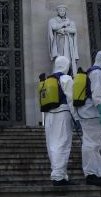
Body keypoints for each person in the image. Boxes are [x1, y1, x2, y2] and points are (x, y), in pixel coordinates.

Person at [76, 50, 101, 186]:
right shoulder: (97, 72)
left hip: (92, 114)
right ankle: (90, 174)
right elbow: (96, 94)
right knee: (90, 143)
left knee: (95, 145)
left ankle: (100, 174)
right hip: (91, 114)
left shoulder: (96, 72)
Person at [44, 56, 76, 186]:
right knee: (62, 144)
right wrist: (76, 118)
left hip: (49, 116)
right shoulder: (66, 78)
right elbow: (71, 100)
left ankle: (60, 174)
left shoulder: (47, 80)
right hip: (62, 114)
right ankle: (58, 176)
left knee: (52, 145)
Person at [48, 5, 79, 74]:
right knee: (59, 61)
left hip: (68, 43)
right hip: (59, 43)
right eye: (60, 11)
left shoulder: (70, 21)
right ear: (58, 12)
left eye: (63, 11)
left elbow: (74, 30)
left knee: (69, 61)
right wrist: (64, 24)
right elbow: (54, 27)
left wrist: (64, 29)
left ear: (65, 12)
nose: (62, 12)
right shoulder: (53, 20)